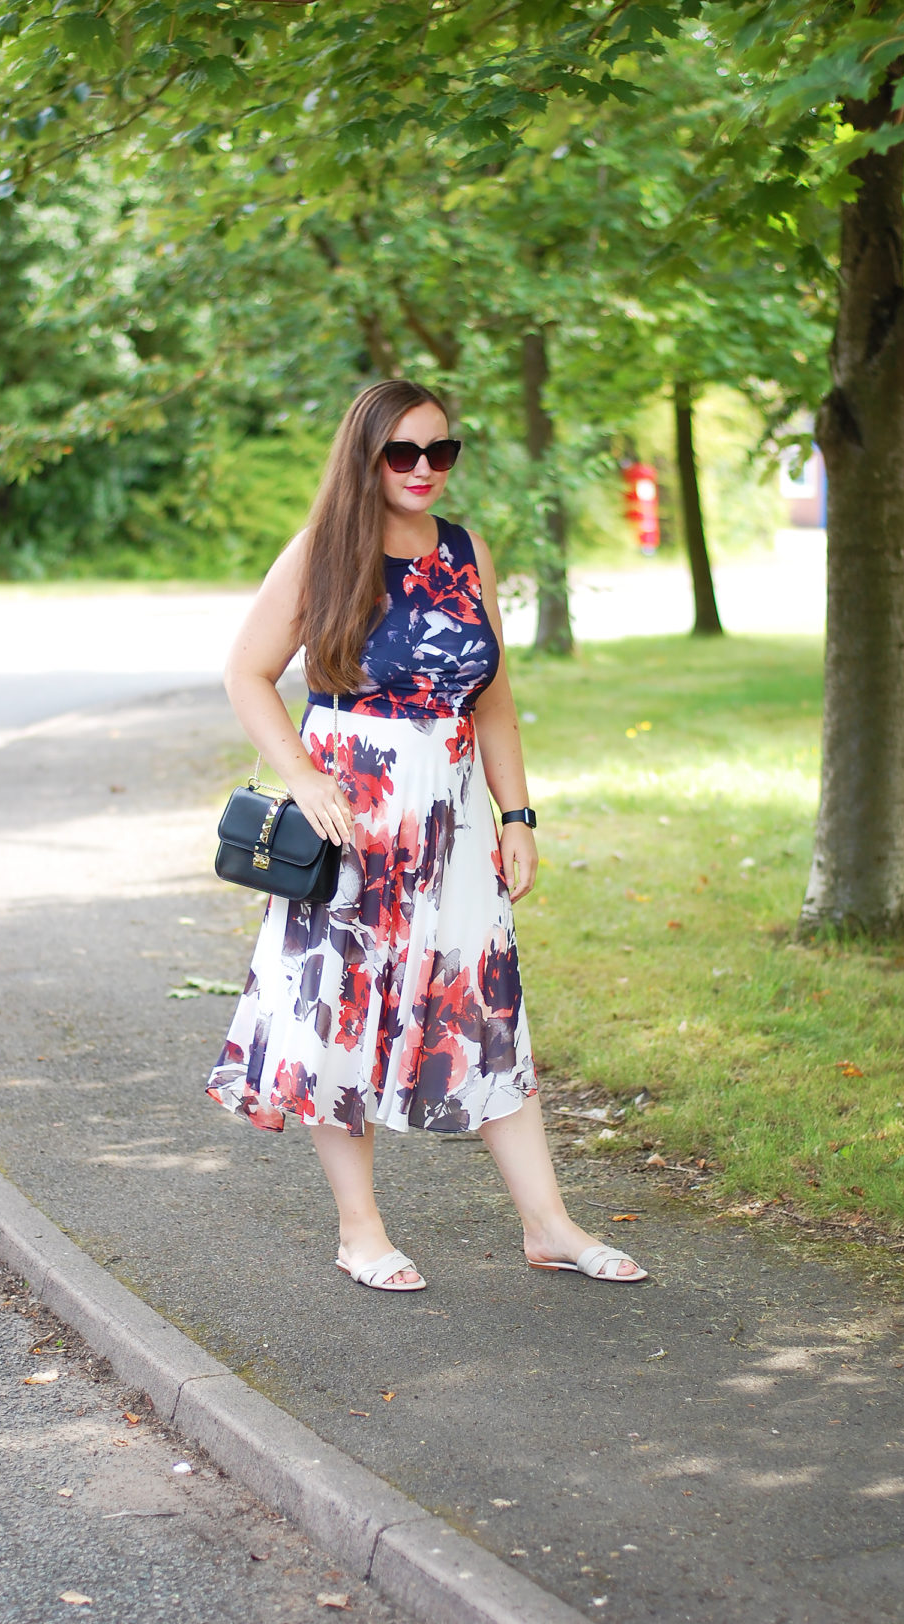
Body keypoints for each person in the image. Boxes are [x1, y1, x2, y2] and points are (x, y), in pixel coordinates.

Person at [206, 379, 647, 1291]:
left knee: (488, 1010)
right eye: (402, 453)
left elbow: (493, 698)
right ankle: (359, 1231)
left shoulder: (464, 550)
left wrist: (517, 815)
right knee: (344, 1011)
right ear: (364, 456)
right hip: (355, 818)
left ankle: (548, 1226)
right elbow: (247, 673)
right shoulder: (324, 554)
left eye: (440, 452)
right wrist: (303, 775)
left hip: (453, 822)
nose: (423, 470)